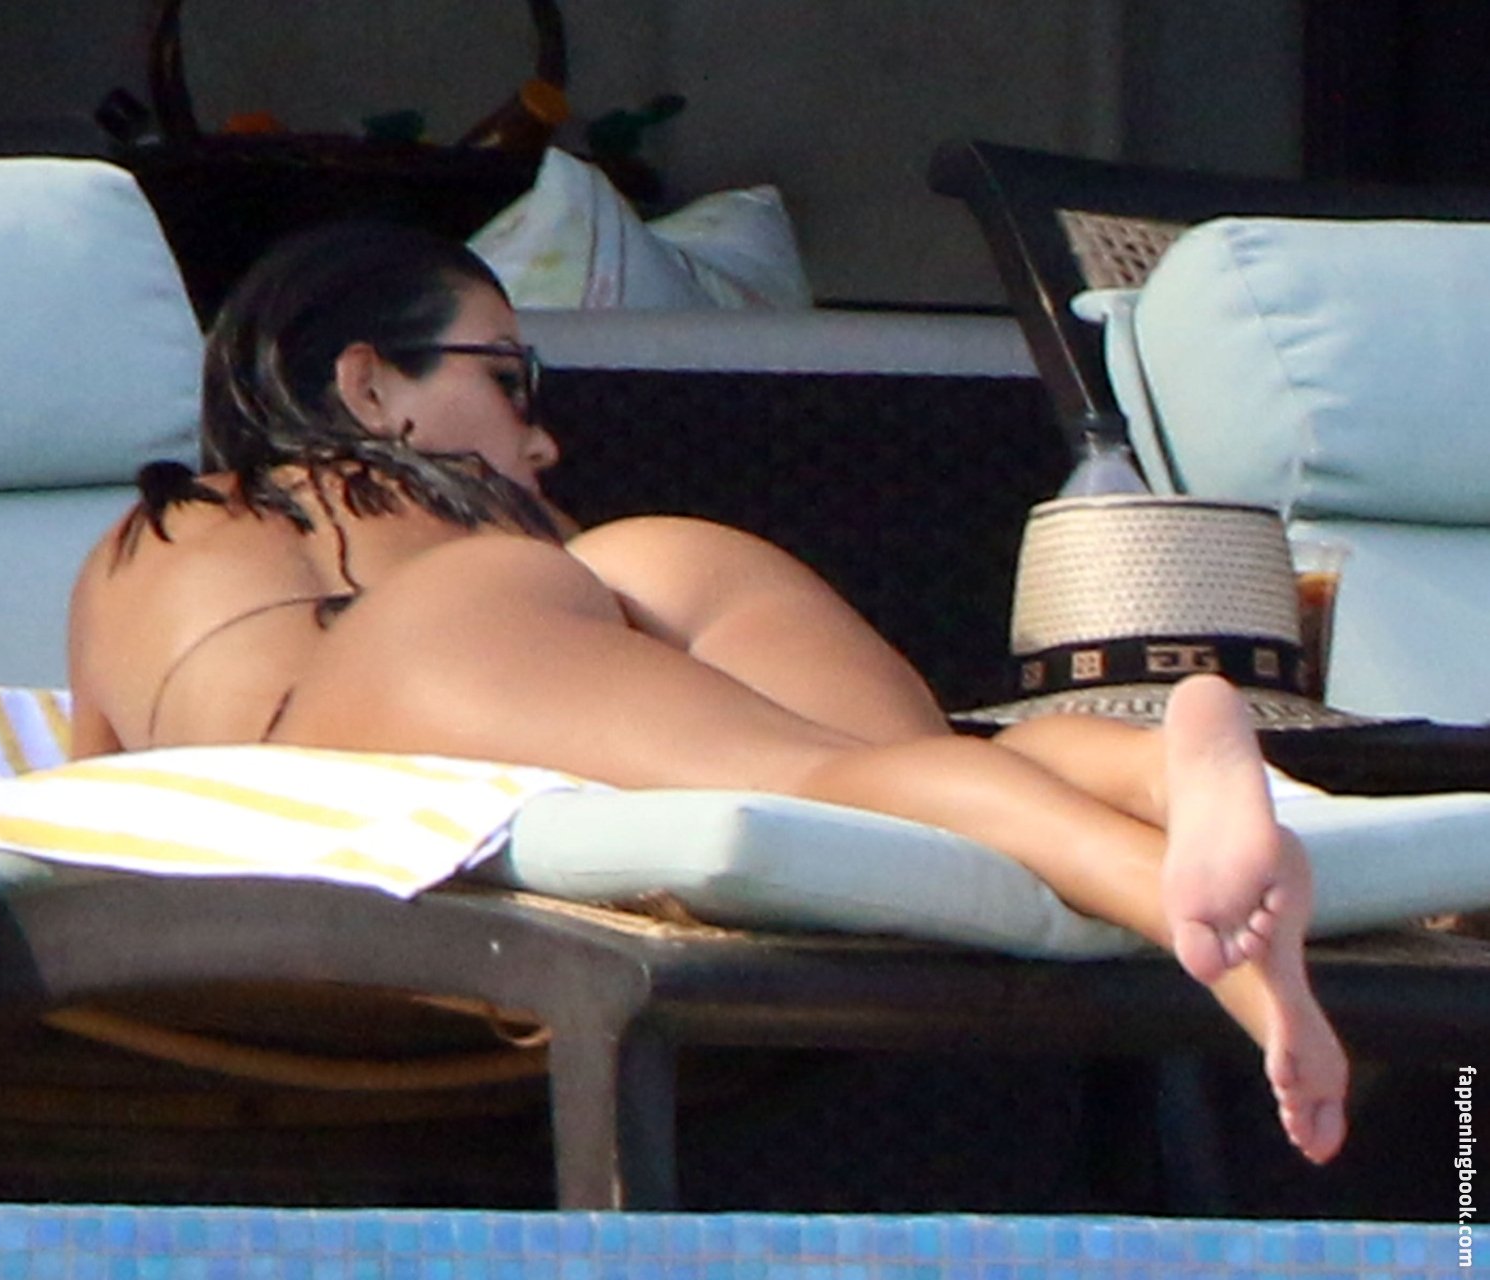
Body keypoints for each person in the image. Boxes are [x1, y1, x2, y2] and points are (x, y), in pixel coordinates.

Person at [68, 221, 1349, 1166]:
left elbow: (85, 825)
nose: (540, 435)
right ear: (365, 385)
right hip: (606, 575)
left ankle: (1189, 914)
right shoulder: (458, 519)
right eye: (507, 378)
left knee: (826, 775)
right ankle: (1152, 765)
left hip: (396, 679)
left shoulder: (136, 554)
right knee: (908, 760)